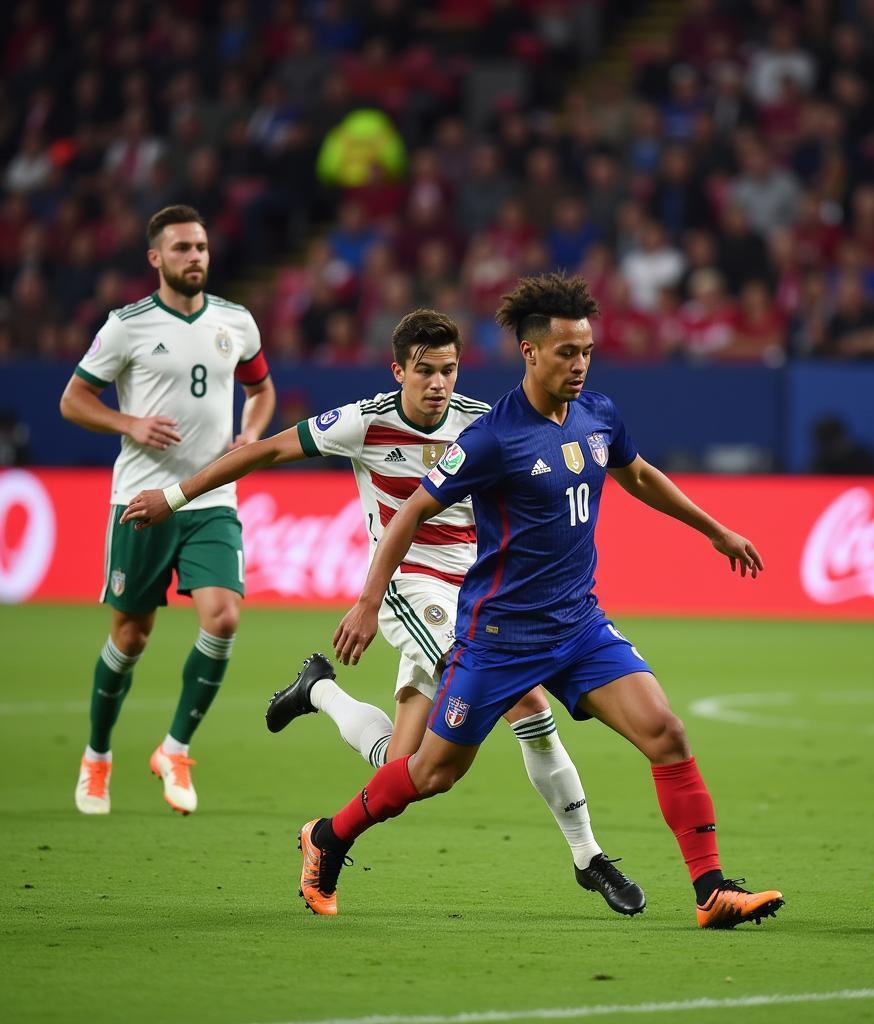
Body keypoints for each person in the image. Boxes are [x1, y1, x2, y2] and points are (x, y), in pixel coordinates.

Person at [119, 308, 645, 917]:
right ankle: (588, 857)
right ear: (398, 369)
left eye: (448, 370)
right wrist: (177, 496)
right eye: (424, 371)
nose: (438, 384)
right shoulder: (363, 423)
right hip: (408, 588)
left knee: (403, 766)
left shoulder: (483, 424)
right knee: (528, 703)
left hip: (479, 594)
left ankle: (319, 692)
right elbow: (264, 451)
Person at [300, 273, 784, 927]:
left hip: (579, 626)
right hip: (499, 638)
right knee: (431, 773)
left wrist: (714, 529)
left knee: (666, 733)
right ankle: (331, 835)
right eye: (566, 352)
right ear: (530, 353)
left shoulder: (598, 414)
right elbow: (411, 512)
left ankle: (711, 890)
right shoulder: (492, 438)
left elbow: (637, 473)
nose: (580, 364)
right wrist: (366, 601)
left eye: (586, 351)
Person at [59, 204, 276, 816]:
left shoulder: (237, 321)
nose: (195, 258)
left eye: (201, 248)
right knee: (131, 636)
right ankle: (97, 757)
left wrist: (251, 433)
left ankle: (175, 748)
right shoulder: (125, 326)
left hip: (212, 496)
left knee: (224, 618)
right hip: (141, 500)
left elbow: (261, 389)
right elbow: (73, 400)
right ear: (155, 258)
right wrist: (127, 421)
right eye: (182, 249)